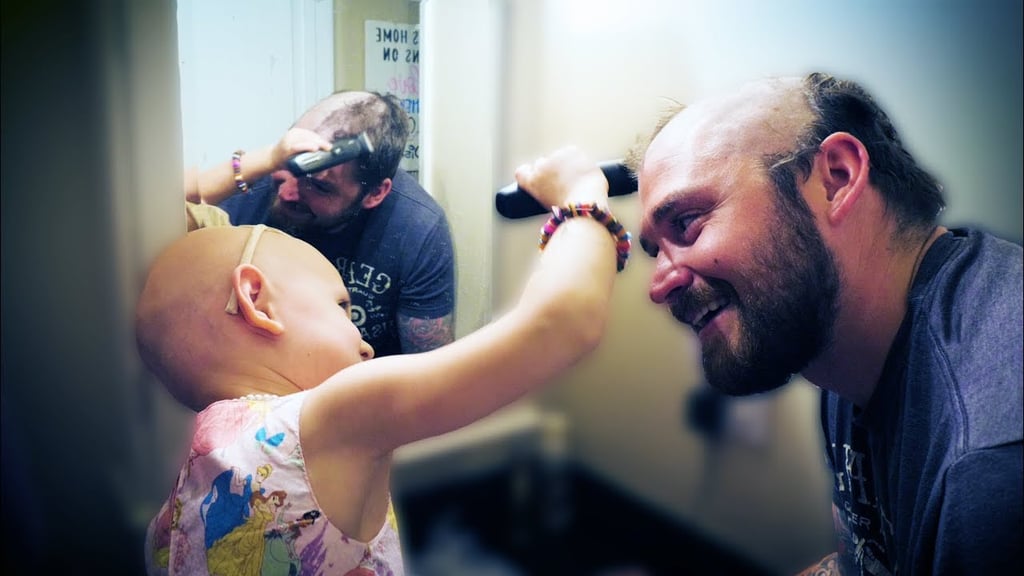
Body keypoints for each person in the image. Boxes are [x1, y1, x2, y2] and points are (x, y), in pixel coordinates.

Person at [138, 147, 630, 575]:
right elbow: (563, 325)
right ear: (256, 301)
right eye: (342, 308)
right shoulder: (325, 421)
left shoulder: (184, 494)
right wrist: (581, 195)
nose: (366, 344)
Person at [629, 72, 1022, 574]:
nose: (658, 285)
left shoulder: (988, 472)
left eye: (686, 223)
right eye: (653, 249)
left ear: (836, 178)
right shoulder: (842, 339)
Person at [185, 90, 455, 358]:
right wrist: (267, 158)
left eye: (318, 186)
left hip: (363, 389)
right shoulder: (251, 186)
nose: (286, 193)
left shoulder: (417, 228)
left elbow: (430, 368)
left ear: (375, 193)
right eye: (289, 165)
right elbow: (153, 212)